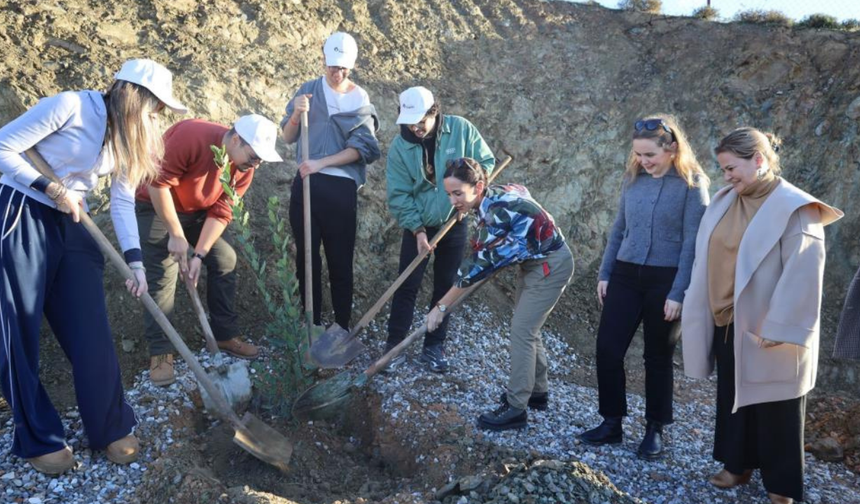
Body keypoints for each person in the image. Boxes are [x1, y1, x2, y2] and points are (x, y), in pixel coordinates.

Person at [0, 59, 186, 474]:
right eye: (155, 106)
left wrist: (135, 263)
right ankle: (39, 437)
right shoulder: (70, 107)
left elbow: (121, 200)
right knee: (18, 329)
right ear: (134, 96)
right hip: (22, 213)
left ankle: (109, 426)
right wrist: (48, 186)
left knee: (91, 328)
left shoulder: (127, 137)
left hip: (73, 221)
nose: (157, 116)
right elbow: (2, 146)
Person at [681, 127, 842, 504]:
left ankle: (782, 486)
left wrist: (780, 326)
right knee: (734, 396)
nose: (726, 176)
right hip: (727, 318)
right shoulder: (724, 200)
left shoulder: (796, 207)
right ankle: (737, 466)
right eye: (722, 169)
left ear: (759, 160)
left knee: (778, 407)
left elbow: (804, 272)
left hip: (770, 326)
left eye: (731, 167)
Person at [578, 115, 709, 460]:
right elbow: (618, 229)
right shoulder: (632, 180)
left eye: (649, 155)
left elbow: (693, 244)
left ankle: (655, 429)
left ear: (672, 149)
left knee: (657, 356)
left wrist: (679, 293)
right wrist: (605, 273)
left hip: (666, 280)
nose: (643, 161)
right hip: (625, 273)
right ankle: (611, 423)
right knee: (607, 349)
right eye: (638, 154)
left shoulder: (693, 185)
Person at [426, 158, 573, 430]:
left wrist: (441, 307)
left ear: (479, 186)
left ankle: (516, 408)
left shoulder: (495, 215)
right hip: (534, 261)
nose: (452, 201)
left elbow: (475, 268)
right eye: (449, 194)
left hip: (550, 264)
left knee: (522, 331)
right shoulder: (492, 198)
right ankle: (538, 393)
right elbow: (520, 190)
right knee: (527, 327)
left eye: (458, 193)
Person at [136, 114, 283, 386]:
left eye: (260, 160)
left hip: (197, 212)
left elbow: (222, 211)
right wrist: (176, 234)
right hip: (155, 206)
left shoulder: (244, 167)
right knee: (164, 269)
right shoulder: (192, 136)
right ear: (237, 139)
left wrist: (200, 255)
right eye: (254, 156)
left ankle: (225, 335)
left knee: (225, 258)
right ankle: (160, 353)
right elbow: (158, 184)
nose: (256, 165)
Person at [384, 87, 495, 373]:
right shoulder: (400, 147)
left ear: (434, 113)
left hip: (453, 221)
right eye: (410, 122)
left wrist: (466, 201)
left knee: (447, 284)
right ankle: (394, 345)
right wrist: (418, 230)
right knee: (407, 283)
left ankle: (434, 346)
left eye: (421, 122)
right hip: (418, 224)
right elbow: (399, 194)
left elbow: (485, 164)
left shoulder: (461, 130)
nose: (415, 128)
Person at [280, 32, 380, 331]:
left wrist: (320, 163)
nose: (337, 74)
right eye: (332, 67)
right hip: (306, 185)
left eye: (344, 68)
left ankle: (341, 327)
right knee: (306, 258)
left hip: (339, 188)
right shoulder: (309, 91)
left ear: (352, 65)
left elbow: (362, 150)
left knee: (339, 259)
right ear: (323, 61)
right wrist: (297, 114)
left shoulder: (359, 98)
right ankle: (311, 323)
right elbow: (287, 136)